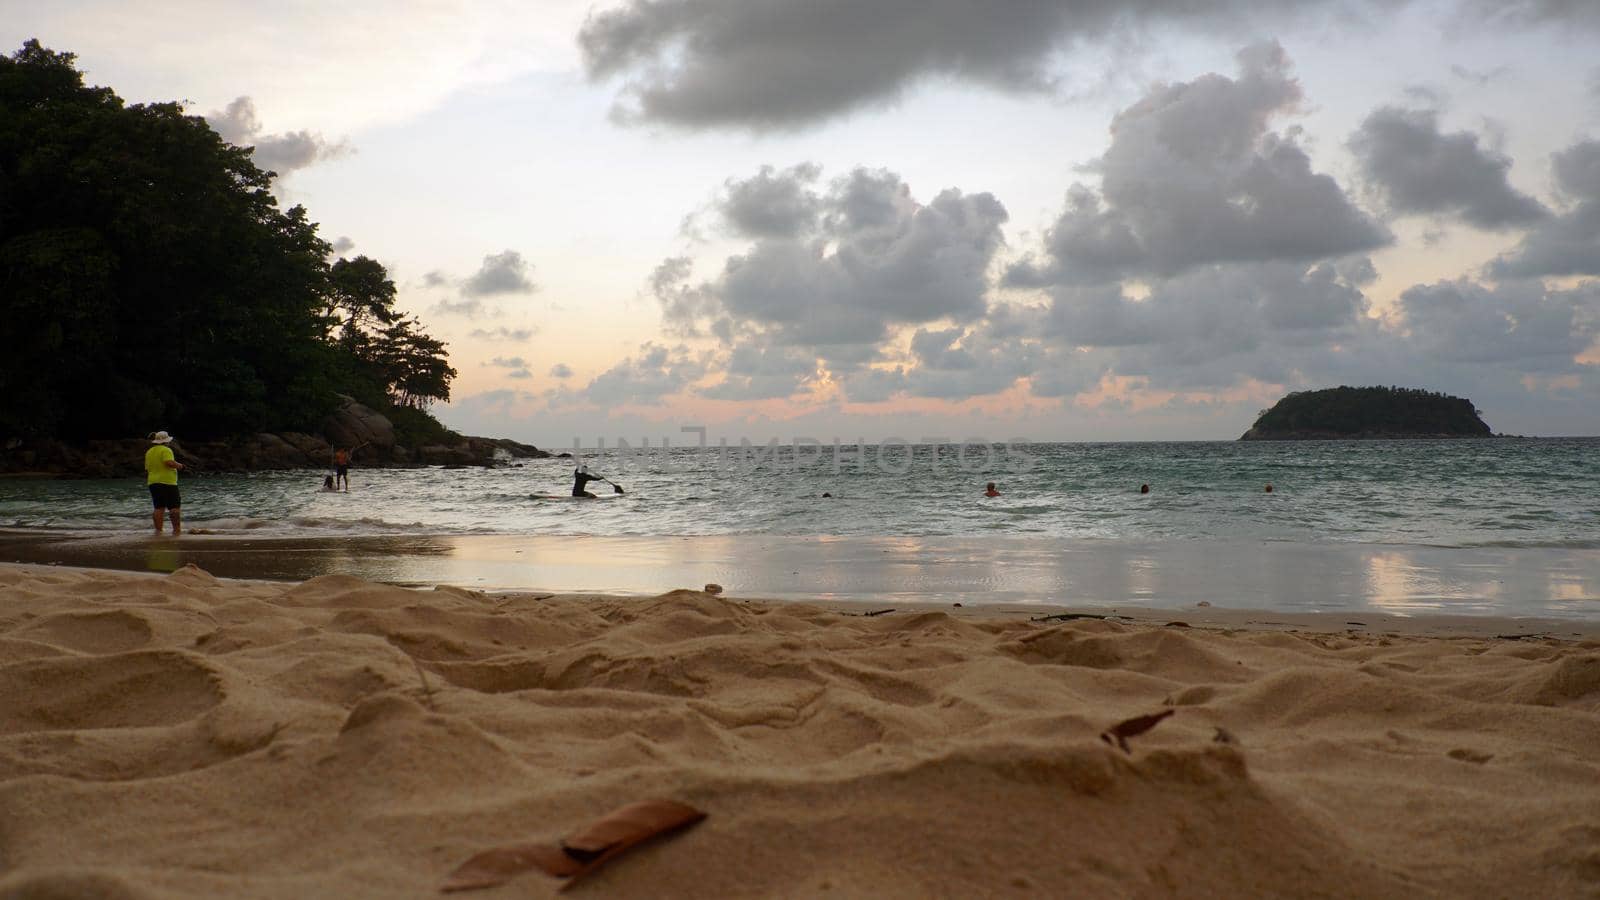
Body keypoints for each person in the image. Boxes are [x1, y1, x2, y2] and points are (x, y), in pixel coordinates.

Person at [144, 431, 185, 535]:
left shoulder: (149, 452)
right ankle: (176, 530)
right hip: (167, 482)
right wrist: (180, 466)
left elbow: (147, 468)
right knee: (174, 507)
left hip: (153, 482)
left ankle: (158, 530)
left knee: (158, 507)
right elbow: (169, 462)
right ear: (166, 441)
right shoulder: (166, 450)